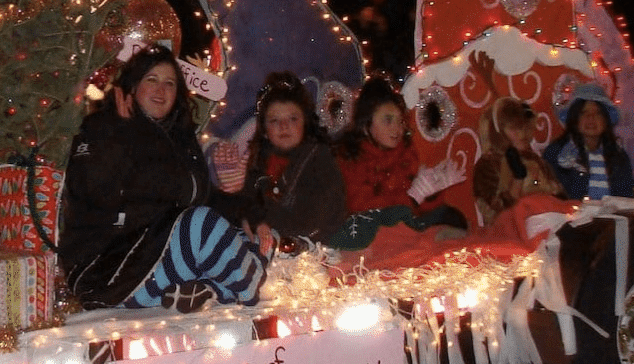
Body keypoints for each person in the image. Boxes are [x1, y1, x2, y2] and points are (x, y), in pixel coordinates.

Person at [61, 45, 266, 313]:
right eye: (152, 80)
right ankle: (255, 280)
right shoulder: (102, 128)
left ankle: (205, 291)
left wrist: (249, 214)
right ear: (132, 87)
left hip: (157, 266)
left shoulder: (179, 137)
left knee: (255, 233)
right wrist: (128, 132)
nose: (161, 90)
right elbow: (100, 191)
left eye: (169, 83)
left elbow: (203, 196)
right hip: (107, 273)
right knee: (202, 226)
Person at [215, 73, 346, 251]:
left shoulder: (320, 160)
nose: (284, 126)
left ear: (305, 123)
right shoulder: (260, 158)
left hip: (317, 252)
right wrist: (241, 204)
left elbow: (307, 221)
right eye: (274, 120)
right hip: (275, 248)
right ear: (265, 129)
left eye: (293, 119)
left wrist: (256, 216)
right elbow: (245, 205)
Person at [331, 77, 466, 248]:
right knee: (397, 219)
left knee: (451, 216)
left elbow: (419, 208)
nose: (397, 128)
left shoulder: (406, 153)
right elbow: (362, 208)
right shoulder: (349, 157)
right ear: (366, 125)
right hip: (368, 230)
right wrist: (412, 199)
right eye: (388, 120)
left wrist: (431, 193)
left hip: (406, 222)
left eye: (400, 121)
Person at [473, 96, 564, 225]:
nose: (522, 134)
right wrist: (517, 178)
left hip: (546, 225)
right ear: (498, 131)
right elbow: (500, 211)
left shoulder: (534, 159)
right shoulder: (488, 165)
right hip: (508, 234)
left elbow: (559, 196)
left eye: (525, 128)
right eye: (514, 129)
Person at [542, 83, 634, 200]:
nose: (591, 118)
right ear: (574, 118)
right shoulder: (557, 153)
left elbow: (627, 196)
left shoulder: (618, 156)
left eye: (598, 113)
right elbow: (551, 196)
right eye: (584, 113)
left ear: (606, 119)